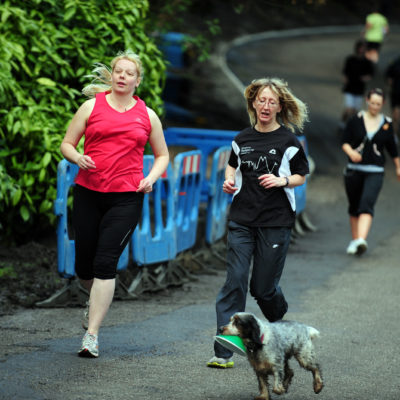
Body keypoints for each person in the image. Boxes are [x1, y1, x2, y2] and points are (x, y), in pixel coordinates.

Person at [60, 50, 169, 358]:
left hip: (126, 197)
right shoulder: (91, 106)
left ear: (137, 80)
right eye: (117, 71)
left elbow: (162, 155)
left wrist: (151, 177)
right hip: (88, 192)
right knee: (84, 265)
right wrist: (77, 156)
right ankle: (91, 299)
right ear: (111, 76)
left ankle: (91, 335)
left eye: (128, 73)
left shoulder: (147, 115)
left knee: (105, 263)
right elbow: (66, 143)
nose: (122, 76)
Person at [207, 77, 310, 368]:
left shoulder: (288, 142)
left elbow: (302, 174)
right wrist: (229, 181)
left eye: (272, 102)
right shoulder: (241, 139)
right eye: (261, 100)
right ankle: (224, 351)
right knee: (235, 280)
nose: (266, 106)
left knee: (263, 289)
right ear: (254, 103)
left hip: (275, 222)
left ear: (279, 107)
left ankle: (279, 321)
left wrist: (282, 180)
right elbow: (232, 165)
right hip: (241, 219)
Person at [341, 88, 400, 256]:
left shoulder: (387, 124)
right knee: (354, 206)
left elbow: (393, 149)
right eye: (372, 103)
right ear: (367, 100)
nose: (375, 106)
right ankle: (355, 240)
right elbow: (344, 141)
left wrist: (398, 166)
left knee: (367, 203)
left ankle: (361, 239)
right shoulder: (355, 120)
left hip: (375, 170)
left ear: (383, 104)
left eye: (378, 104)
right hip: (354, 169)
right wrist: (351, 152)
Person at [341, 39, 374, 126]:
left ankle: (348, 127)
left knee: (355, 111)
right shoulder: (350, 59)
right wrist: (345, 78)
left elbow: (371, 74)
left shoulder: (367, 62)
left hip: (359, 89)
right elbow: (345, 72)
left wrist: (366, 78)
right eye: (361, 48)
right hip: (349, 87)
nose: (362, 50)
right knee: (349, 109)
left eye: (364, 48)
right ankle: (342, 123)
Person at [385, 55, 400, 138]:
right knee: (395, 115)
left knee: (396, 116)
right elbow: (388, 74)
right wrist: (389, 80)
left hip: (396, 92)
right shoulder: (396, 63)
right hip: (396, 93)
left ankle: (394, 135)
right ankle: (394, 136)